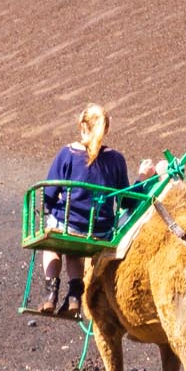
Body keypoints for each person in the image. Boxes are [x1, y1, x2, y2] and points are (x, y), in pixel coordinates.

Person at [33, 103, 128, 315]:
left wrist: (48, 208)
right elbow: (127, 199)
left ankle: (51, 294)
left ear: (82, 126)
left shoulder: (67, 154)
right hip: (100, 230)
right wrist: (142, 178)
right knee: (74, 250)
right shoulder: (116, 159)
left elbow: (49, 193)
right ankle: (74, 296)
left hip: (70, 224)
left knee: (53, 243)